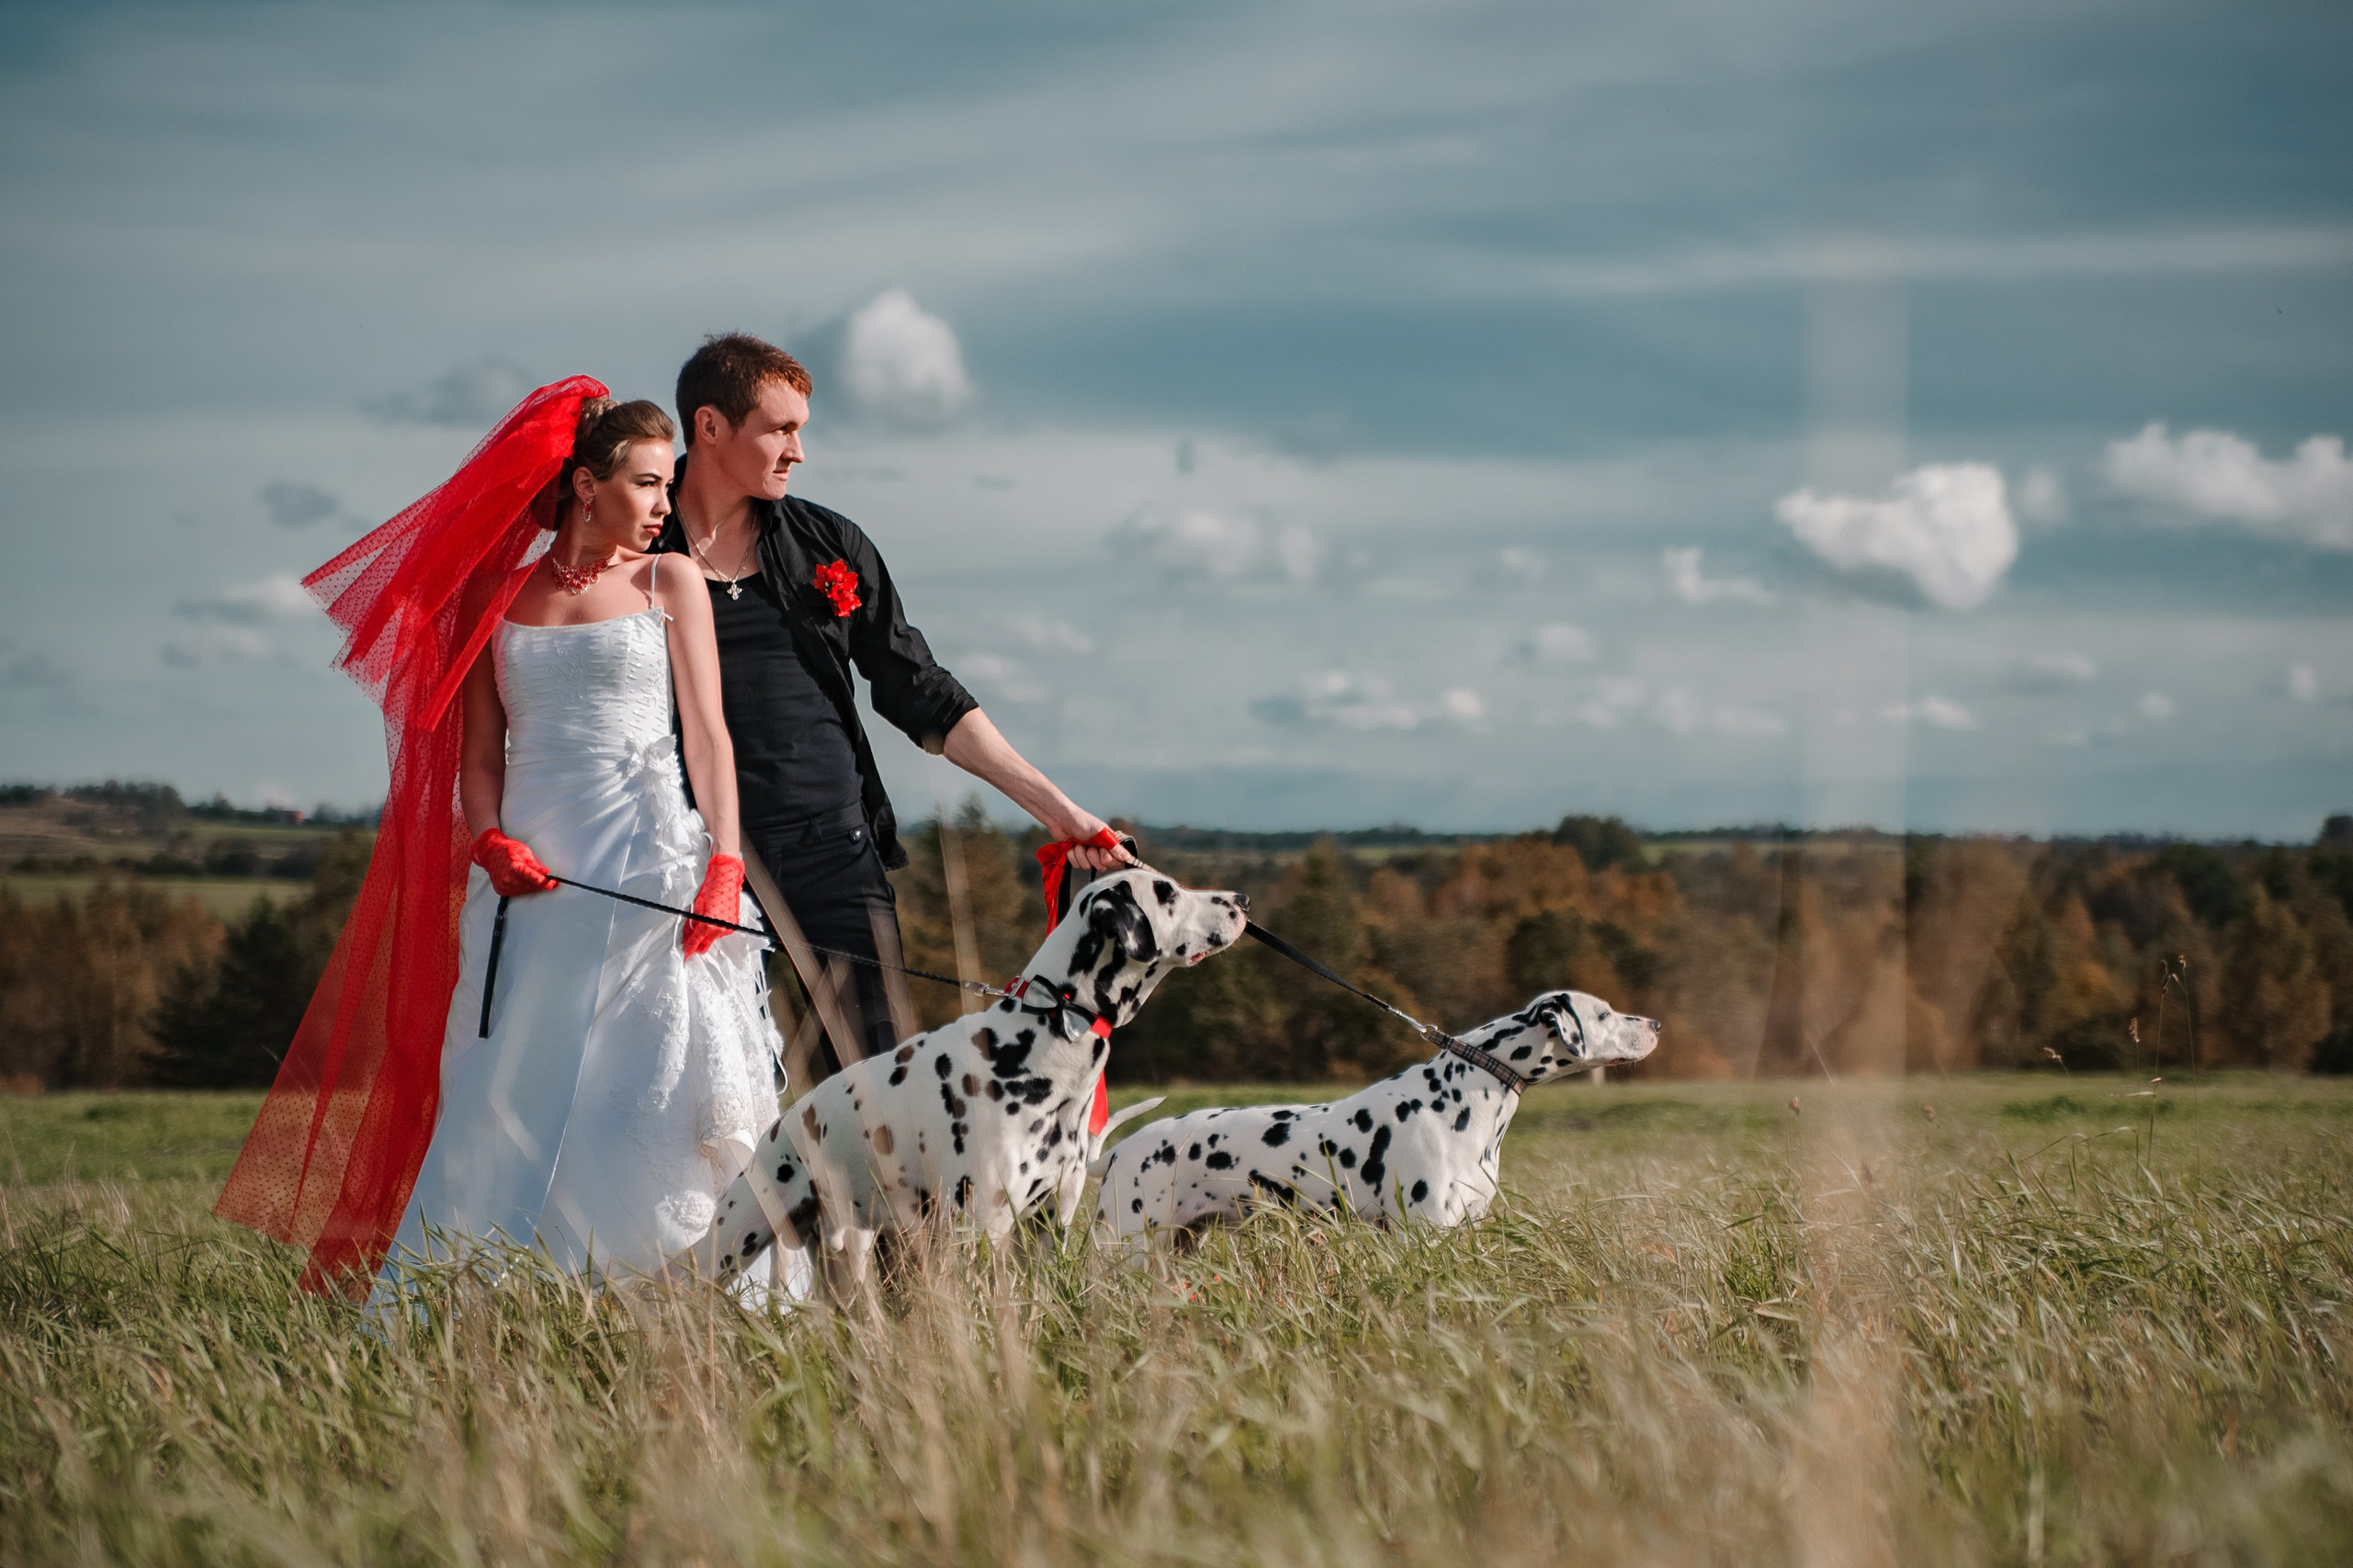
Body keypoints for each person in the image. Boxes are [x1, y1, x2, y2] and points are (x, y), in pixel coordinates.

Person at [216, 380, 797, 1303]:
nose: (661, 506)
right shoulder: (495, 595)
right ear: (582, 483)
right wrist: (486, 838)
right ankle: (490, 1292)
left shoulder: (667, 580)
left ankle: (668, 1289)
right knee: (502, 1085)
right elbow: (478, 756)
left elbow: (710, 736)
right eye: (645, 483)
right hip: (530, 877)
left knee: (645, 1085)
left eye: (665, 484)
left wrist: (722, 867)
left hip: (648, 862)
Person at [654, 333, 1131, 1072]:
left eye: (801, 431)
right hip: (685, 855)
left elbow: (923, 692)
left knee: (872, 1080)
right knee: (704, 1080)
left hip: (833, 850)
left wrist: (1064, 815)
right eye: (780, 430)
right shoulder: (634, 548)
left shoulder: (830, 544)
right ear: (711, 426)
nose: (798, 452)